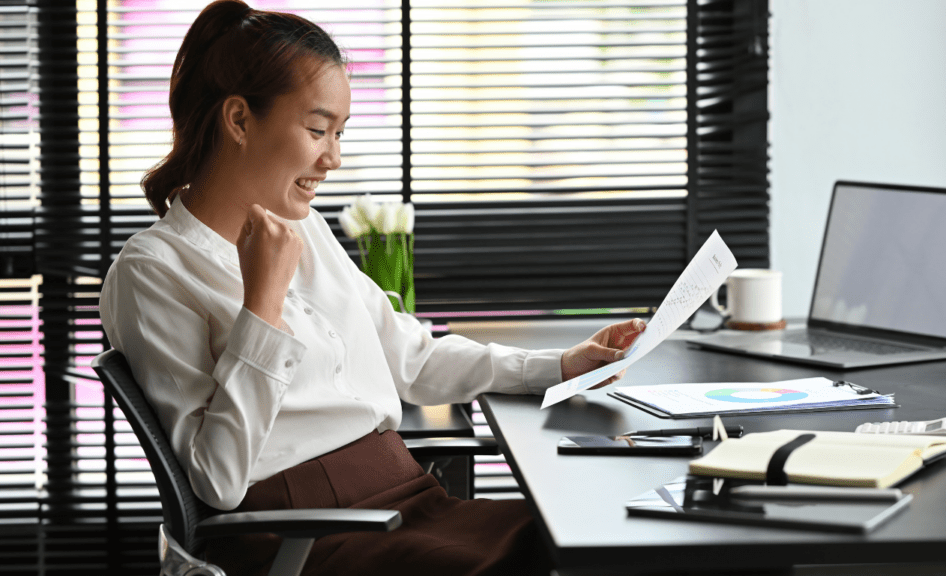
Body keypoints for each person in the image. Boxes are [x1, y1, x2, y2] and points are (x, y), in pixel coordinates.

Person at [98, 1, 645, 575]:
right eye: (317, 130)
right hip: (308, 536)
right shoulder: (153, 271)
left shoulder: (305, 226)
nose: (332, 158)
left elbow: (411, 357)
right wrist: (263, 304)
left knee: (601, 531)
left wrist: (556, 367)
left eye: (339, 132)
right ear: (238, 120)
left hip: (408, 503)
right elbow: (219, 479)